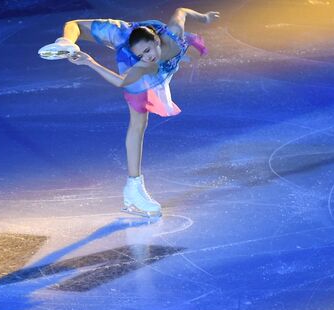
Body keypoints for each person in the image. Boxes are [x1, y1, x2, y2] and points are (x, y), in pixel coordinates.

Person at [40, 8, 220, 217]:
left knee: (176, 54)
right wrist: (90, 62)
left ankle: (132, 190)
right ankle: (134, 188)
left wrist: (204, 17)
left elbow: (182, 11)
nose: (148, 57)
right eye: (142, 55)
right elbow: (122, 81)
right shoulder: (142, 64)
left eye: (148, 51)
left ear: (157, 41)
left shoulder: (174, 33)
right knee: (138, 123)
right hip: (129, 44)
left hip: (137, 34)